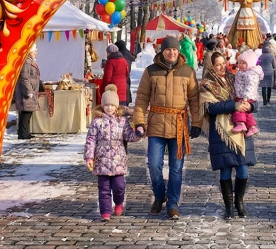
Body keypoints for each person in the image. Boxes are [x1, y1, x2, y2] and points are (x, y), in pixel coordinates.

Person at [133, 36, 201, 220]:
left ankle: (172, 203)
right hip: (156, 124)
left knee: (176, 168)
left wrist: (196, 123)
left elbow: (195, 100)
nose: (172, 52)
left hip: (179, 125)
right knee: (154, 165)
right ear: (162, 51)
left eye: (174, 49)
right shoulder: (151, 71)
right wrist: (139, 121)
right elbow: (142, 98)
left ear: (179, 51)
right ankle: (159, 195)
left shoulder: (187, 71)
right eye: (168, 49)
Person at [200, 51, 258, 218]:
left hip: (241, 130)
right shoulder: (206, 84)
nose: (221, 67)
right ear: (211, 66)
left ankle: (239, 202)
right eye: (217, 64)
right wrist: (234, 106)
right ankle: (229, 207)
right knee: (225, 170)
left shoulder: (236, 78)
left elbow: (253, 98)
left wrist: (250, 107)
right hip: (221, 131)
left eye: (223, 63)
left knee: (243, 169)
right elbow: (210, 107)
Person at [84, 84, 144, 220]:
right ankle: (105, 212)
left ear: (116, 106)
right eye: (106, 105)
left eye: (112, 105)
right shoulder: (97, 121)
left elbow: (128, 136)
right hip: (101, 159)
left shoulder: (122, 121)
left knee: (119, 187)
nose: (109, 108)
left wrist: (138, 133)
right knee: (104, 189)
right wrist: (89, 157)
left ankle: (118, 202)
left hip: (118, 160)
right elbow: (91, 140)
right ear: (102, 106)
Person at [14, 44, 43, 140]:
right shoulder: (26, 62)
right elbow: (24, 78)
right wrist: (29, 91)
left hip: (31, 90)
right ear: (30, 52)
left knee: (28, 112)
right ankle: (23, 134)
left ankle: (25, 132)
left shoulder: (30, 61)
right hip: (26, 91)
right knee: (26, 112)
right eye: (34, 51)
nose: (36, 53)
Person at [232, 50, 263, 137]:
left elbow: (251, 86)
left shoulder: (251, 74)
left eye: (243, 63)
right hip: (243, 94)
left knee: (240, 109)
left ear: (250, 64)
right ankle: (252, 127)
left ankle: (240, 123)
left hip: (245, 96)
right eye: (239, 63)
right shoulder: (243, 72)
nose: (240, 65)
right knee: (247, 113)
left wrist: (246, 97)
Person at [257, 41, 276, 106]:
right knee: (269, 86)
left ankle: (264, 101)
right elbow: (275, 65)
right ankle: (268, 100)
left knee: (263, 87)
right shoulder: (271, 56)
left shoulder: (260, 56)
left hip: (262, 72)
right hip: (270, 72)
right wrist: (274, 68)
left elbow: (257, 64)